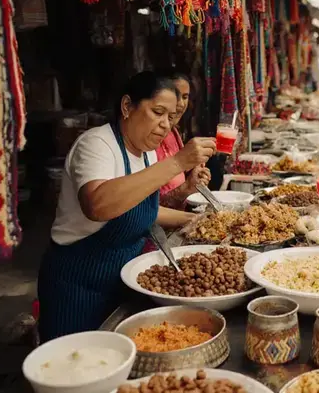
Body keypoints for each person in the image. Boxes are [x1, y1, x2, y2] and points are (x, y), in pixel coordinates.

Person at [38, 71, 217, 341]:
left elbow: (140, 210)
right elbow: (98, 205)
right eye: (157, 112)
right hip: (78, 286)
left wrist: (194, 222)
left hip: (121, 283)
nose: (165, 125)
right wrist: (177, 162)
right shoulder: (97, 144)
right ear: (126, 106)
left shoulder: (146, 154)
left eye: (171, 117)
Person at [155, 73, 211, 210]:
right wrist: (185, 188)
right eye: (175, 95)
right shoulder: (148, 141)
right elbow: (148, 209)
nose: (180, 104)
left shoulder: (174, 132)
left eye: (185, 97)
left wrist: (192, 182)